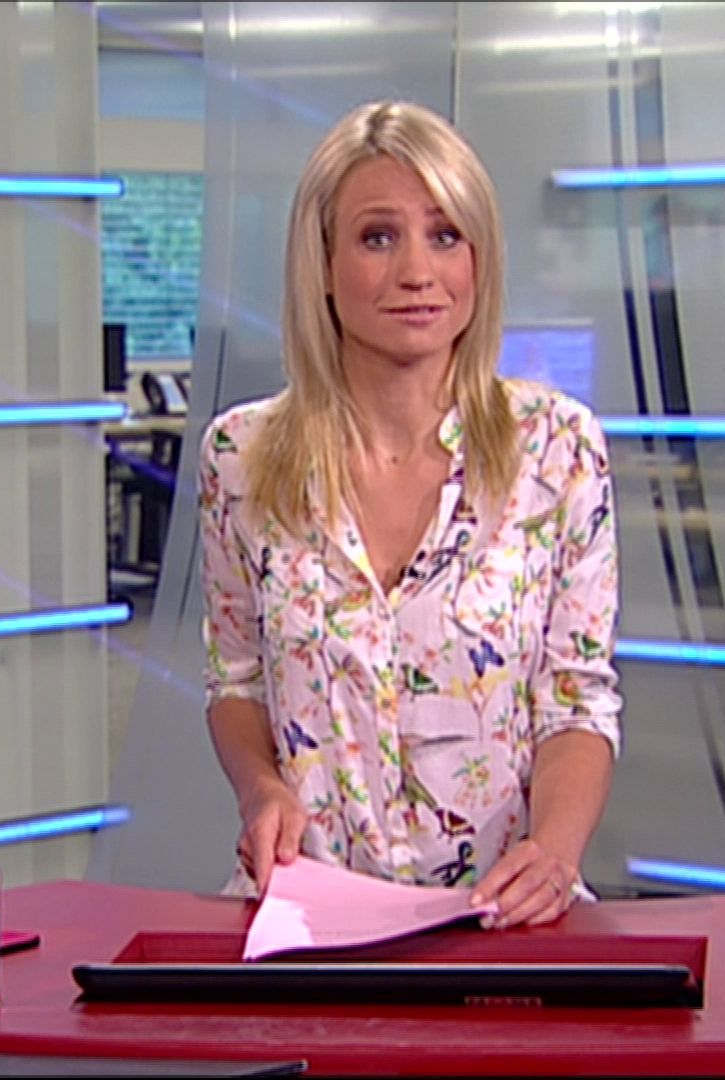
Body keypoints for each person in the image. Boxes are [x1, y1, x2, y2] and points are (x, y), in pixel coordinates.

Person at [196, 100, 621, 930]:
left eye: (446, 235)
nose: (418, 271)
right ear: (322, 263)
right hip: (306, 919)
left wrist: (555, 850)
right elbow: (235, 682)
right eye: (378, 237)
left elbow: (577, 702)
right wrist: (261, 790)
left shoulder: (559, 451)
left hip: (502, 917)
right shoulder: (240, 459)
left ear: (480, 260)